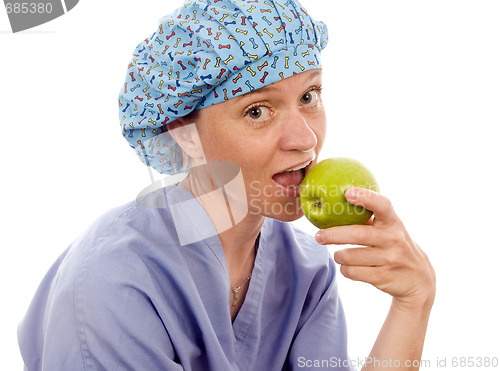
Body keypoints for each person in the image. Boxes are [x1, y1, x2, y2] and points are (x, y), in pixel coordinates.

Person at [18, 0, 436, 370]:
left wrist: (413, 302)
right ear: (184, 133)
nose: (305, 139)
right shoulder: (115, 282)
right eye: (257, 111)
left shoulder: (306, 270)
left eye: (309, 96)